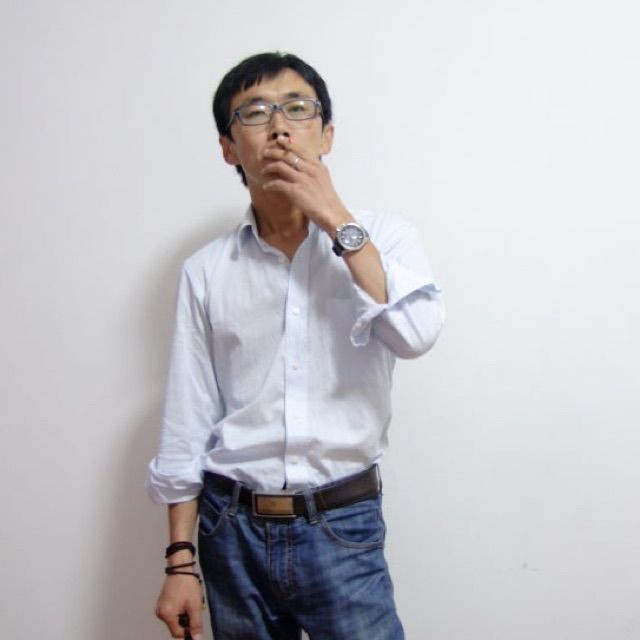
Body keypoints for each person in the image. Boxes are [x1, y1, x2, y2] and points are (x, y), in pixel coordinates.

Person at [147, 51, 444, 640]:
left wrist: (334, 218)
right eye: (255, 113)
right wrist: (180, 562)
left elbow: (416, 336)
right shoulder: (207, 270)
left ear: (326, 135)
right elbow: (188, 418)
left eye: (297, 109)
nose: (279, 127)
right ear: (229, 148)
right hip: (230, 528)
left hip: (343, 523)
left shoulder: (385, 238)